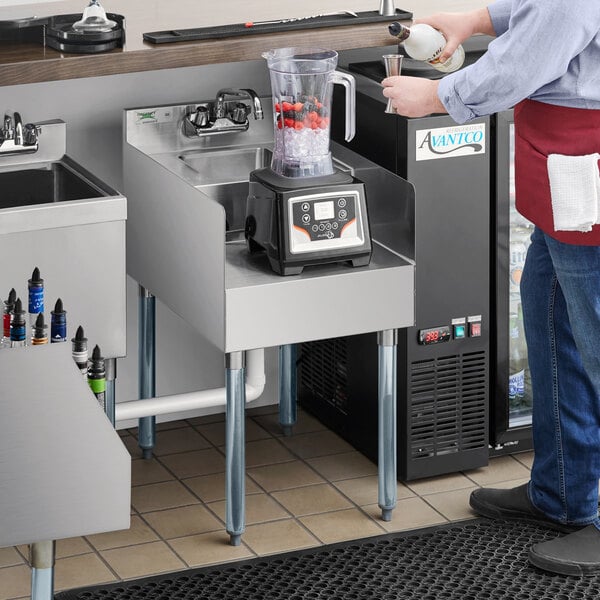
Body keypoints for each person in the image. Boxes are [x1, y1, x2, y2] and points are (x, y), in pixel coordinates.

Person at [382, 0, 600, 577]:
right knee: (554, 329)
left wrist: (434, 98)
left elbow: (539, 44)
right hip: (561, 167)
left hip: (589, 164)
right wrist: (480, 18)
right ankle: (562, 491)